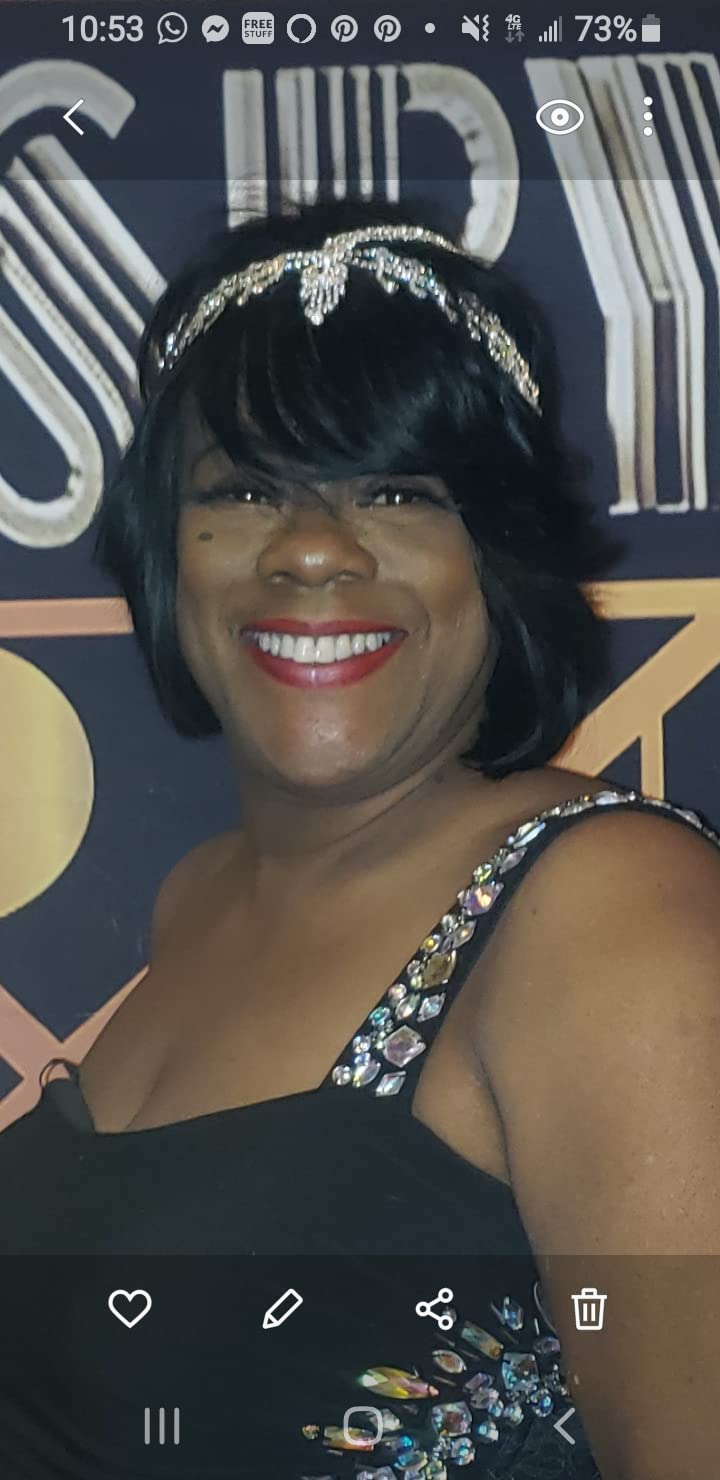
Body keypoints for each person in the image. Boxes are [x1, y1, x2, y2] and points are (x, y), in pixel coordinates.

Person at [0, 194, 718, 1480]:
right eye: (244, 489)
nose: (312, 550)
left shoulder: (608, 907)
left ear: (498, 554)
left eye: (396, 489)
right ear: (170, 549)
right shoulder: (199, 899)